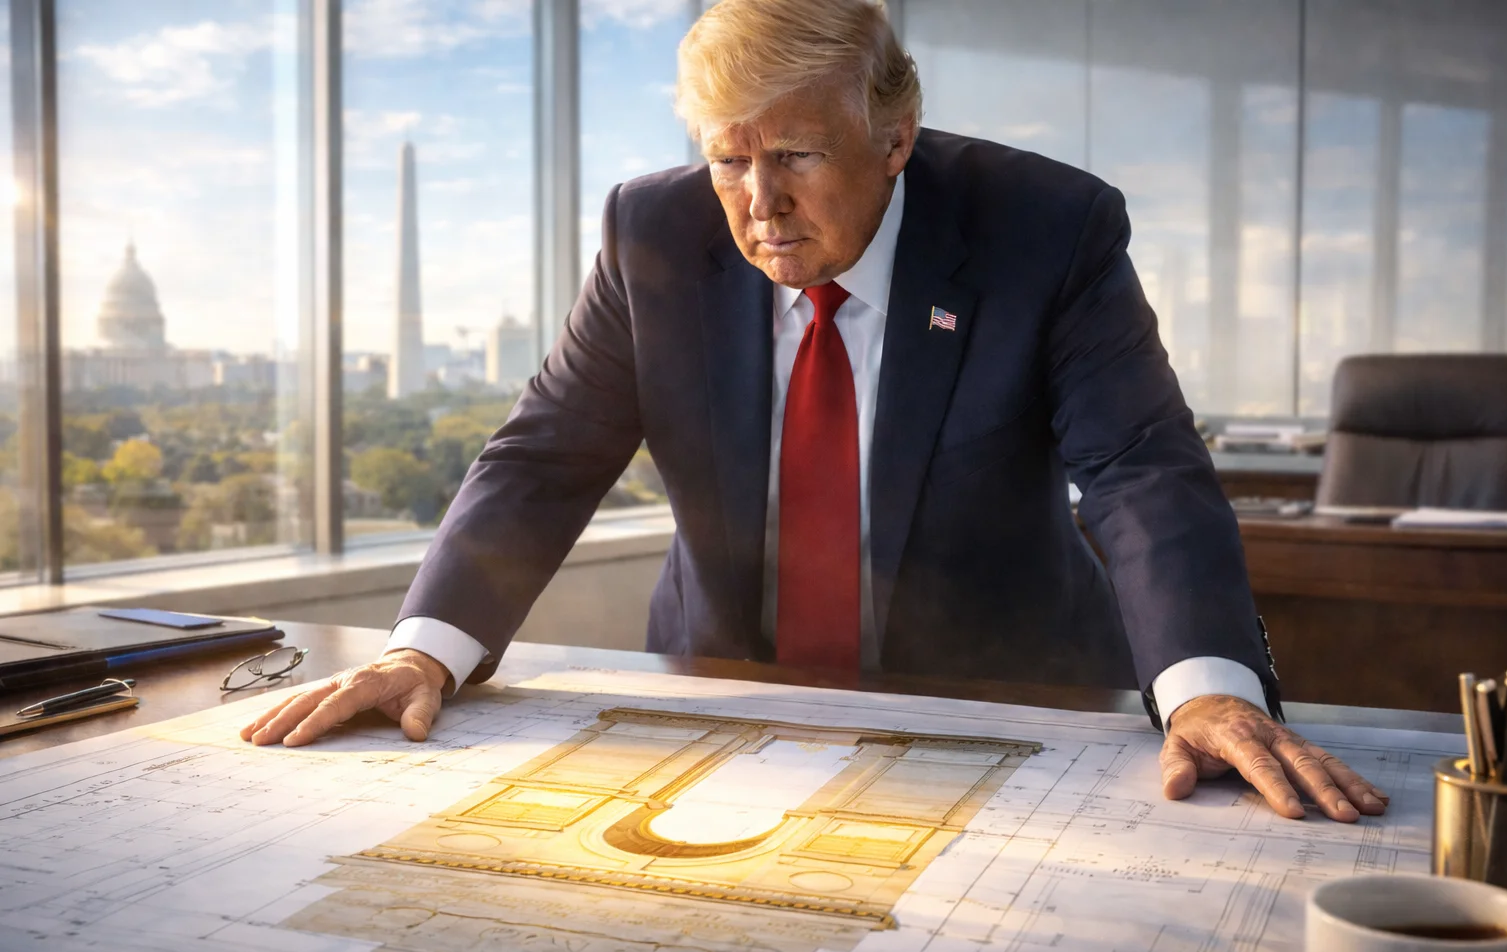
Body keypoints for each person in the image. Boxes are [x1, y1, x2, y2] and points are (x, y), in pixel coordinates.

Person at [243, 0, 1387, 824]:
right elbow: (544, 456)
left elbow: (1141, 467)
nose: (758, 204)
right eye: (727, 160)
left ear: (896, 136)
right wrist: (426, 649)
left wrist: (1206, 690)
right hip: (727, 698)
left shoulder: (1048, 227)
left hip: (1004, 706)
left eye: (793, 153)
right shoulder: (656, 234)